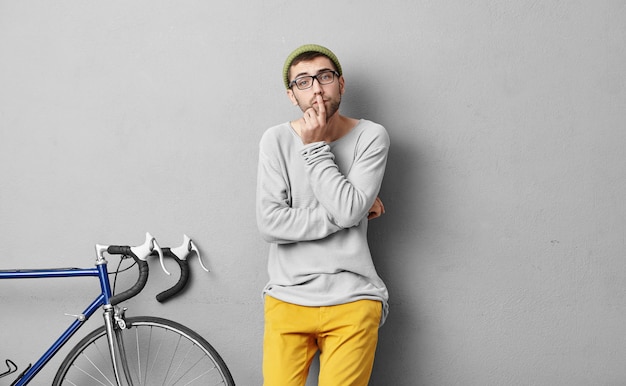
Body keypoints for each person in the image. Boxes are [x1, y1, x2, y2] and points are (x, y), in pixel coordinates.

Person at [256, 43, 390, 386]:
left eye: (325, 77)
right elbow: (270, 223)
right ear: (291, 95)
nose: (316, 88)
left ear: (341, 84)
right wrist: (353, 211)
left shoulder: (371, 136)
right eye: (303, 81)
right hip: (287, 298)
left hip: (353, 299)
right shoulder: (275, 140)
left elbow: (348, 210)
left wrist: (315, 148)